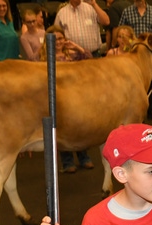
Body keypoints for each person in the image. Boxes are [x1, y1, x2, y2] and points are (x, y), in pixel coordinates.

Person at [41, 26, 95, 172]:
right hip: (57, 98)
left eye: (61, 38)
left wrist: (77, 47)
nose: (58, 42)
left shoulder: (72, 54)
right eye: (55, 39)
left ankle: (84, 157)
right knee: (62, 130)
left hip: (76, 97)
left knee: (80, 127)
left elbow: (91, 61)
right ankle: (67, 161)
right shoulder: (43, 58)